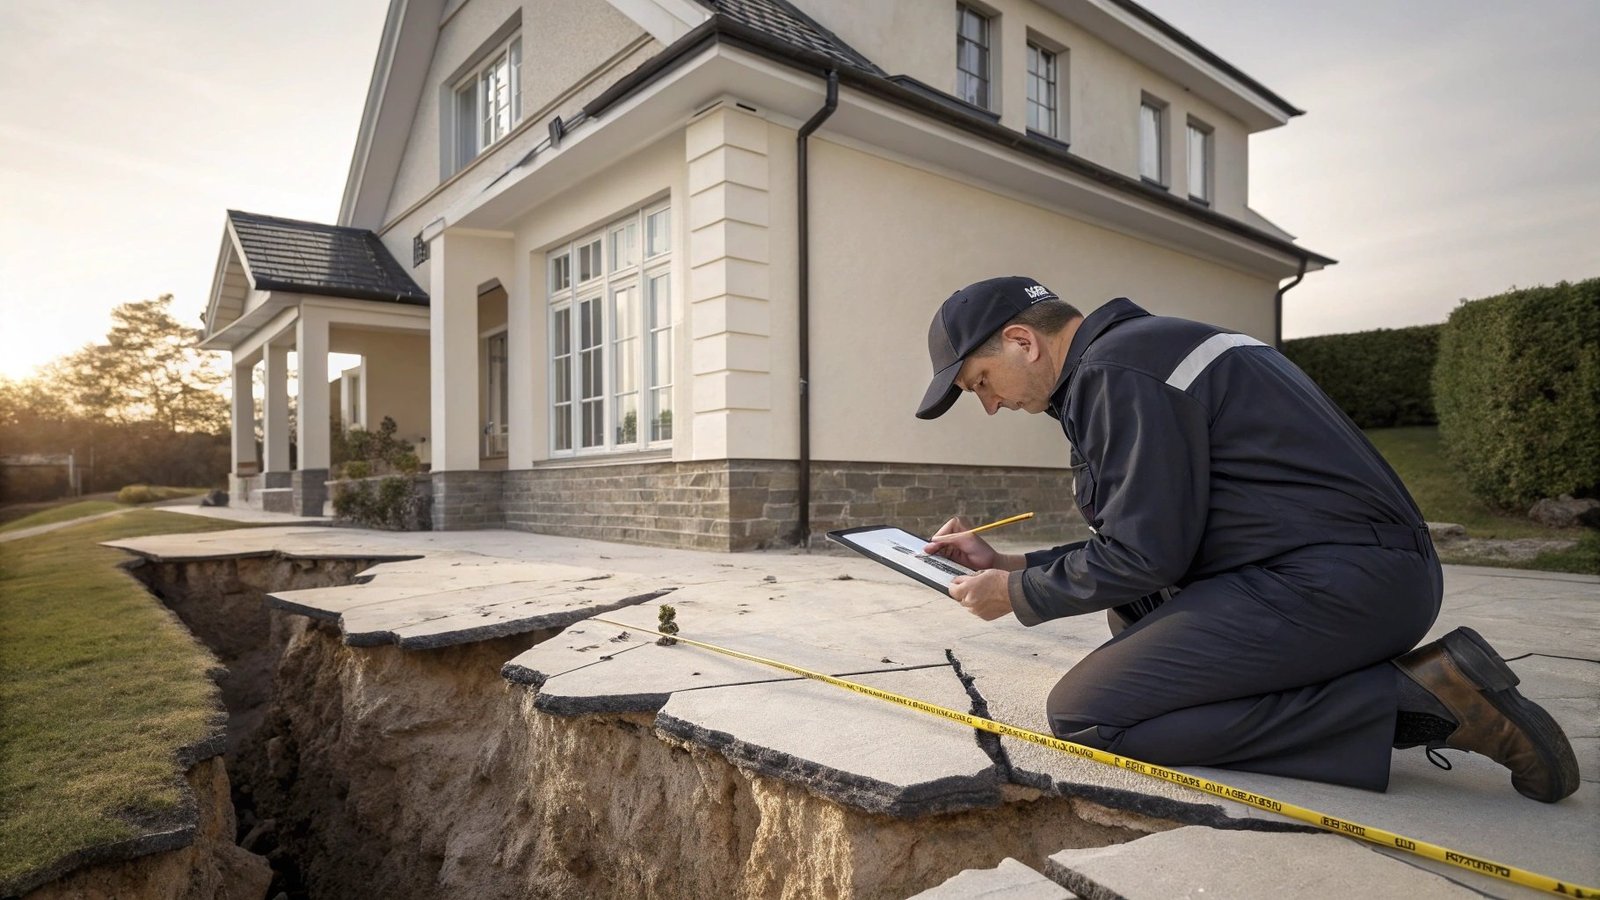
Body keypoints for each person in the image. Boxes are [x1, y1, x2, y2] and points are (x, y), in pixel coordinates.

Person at [915, 275, 1579, 801]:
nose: (991, 404)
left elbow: (1147, 554)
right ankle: (1377, 692)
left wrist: (1016, 593)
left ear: (1022, 341)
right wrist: (1012, 563)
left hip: (1340, 586)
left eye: (981, 382)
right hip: (1356, 572)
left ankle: (1418, 700)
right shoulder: (1147, 349)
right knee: (1137, 620)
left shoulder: (1119, 374)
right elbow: (1148, 536)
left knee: (1092, 716)